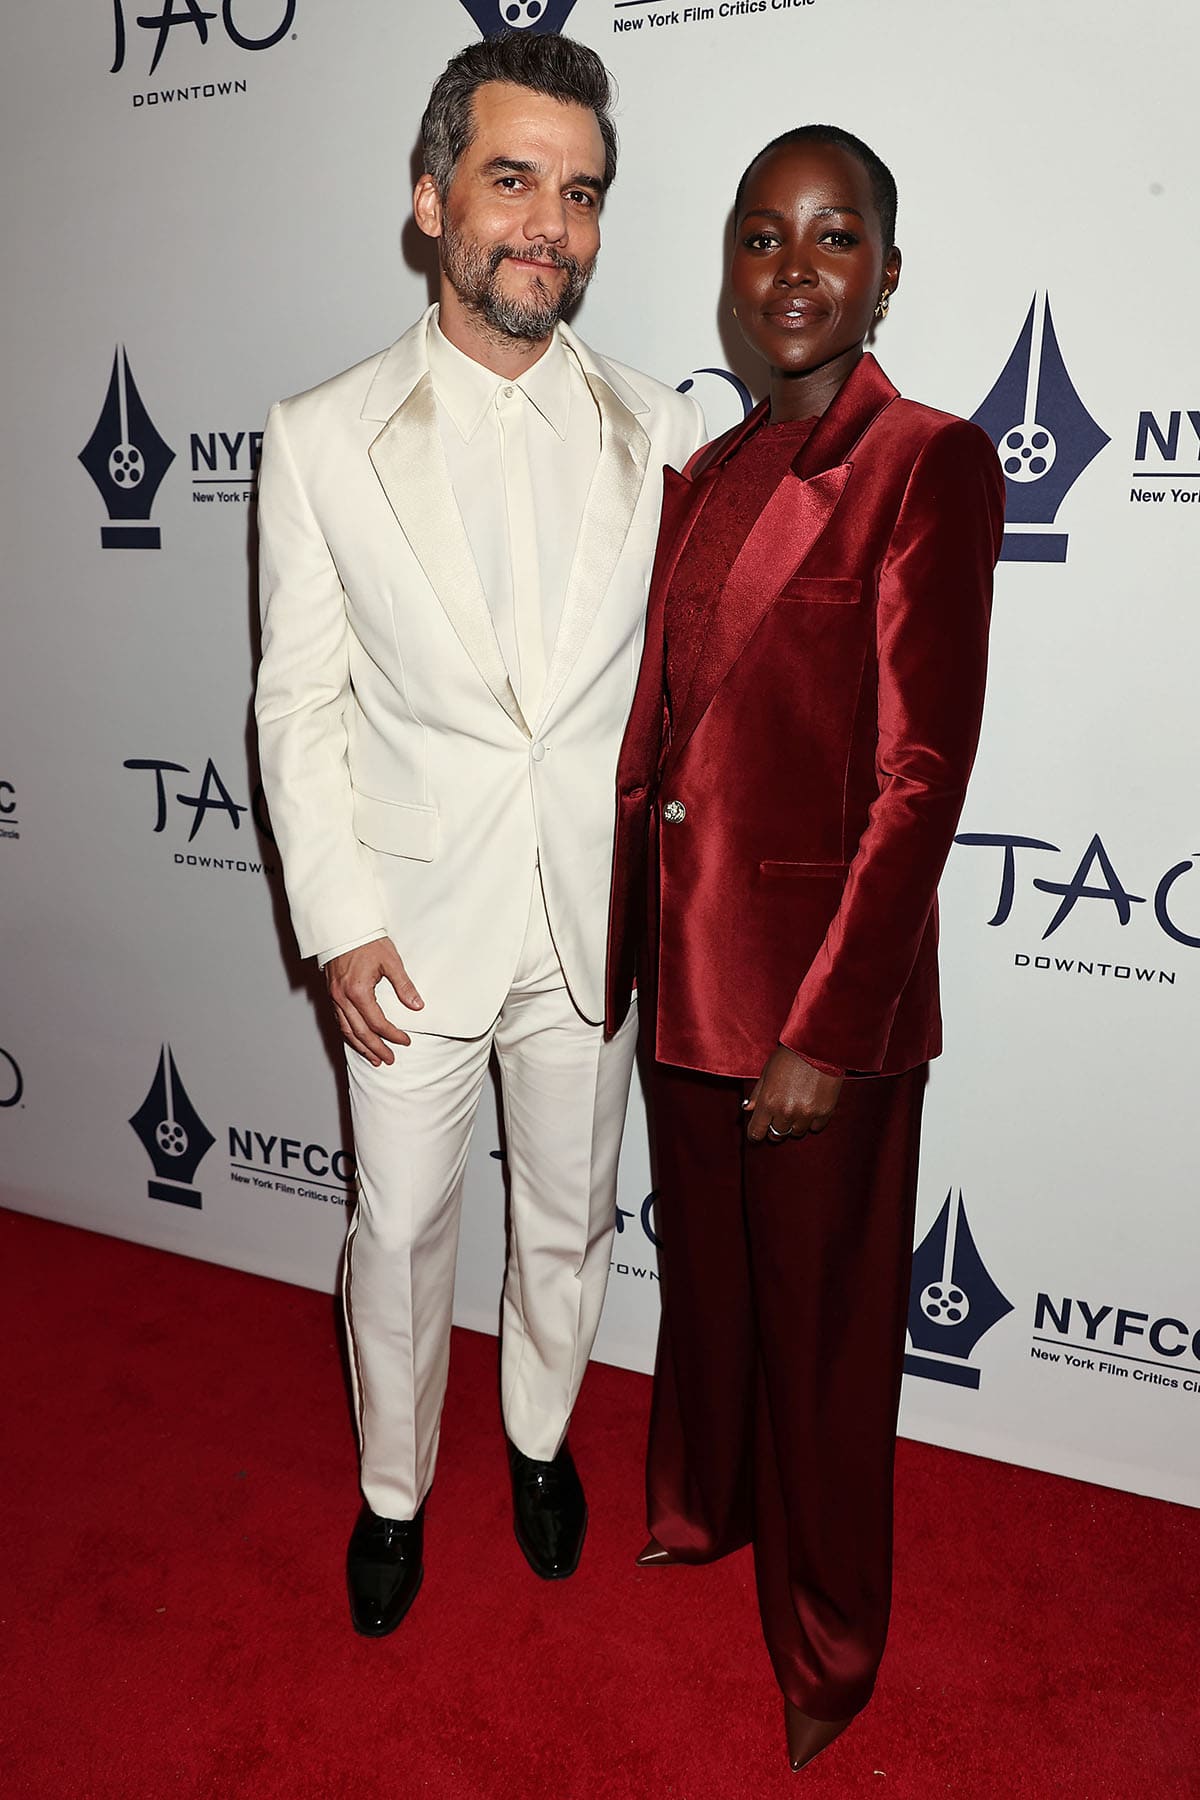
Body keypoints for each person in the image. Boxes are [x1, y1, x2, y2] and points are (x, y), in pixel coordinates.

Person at [255, 32, 704, 1638]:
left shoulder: (665, 434)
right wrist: (334, 913)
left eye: (579, 194)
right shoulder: (317, 439)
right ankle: (394, 1487)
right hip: (407, 933)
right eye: (514, 180)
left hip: (590, 926)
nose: (549, 226)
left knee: (568, 1221)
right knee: (401, 1233)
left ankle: (534, 1438)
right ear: (431, 197)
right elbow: (297, 704)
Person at [606, 126, 1004, 1770]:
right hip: (681, 969)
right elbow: (660, 740)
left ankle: (831, 1640)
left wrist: (825, 1027)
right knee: (708, 1289)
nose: (792, 267)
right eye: (761, 235)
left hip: (815, 1006)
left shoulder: (931, 460)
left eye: (833, 237)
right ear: (724, 269)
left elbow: (922, 777)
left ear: (886, 273)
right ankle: (704, 1505)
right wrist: (615, 950)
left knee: (828, 1337)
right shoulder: (698, 478)